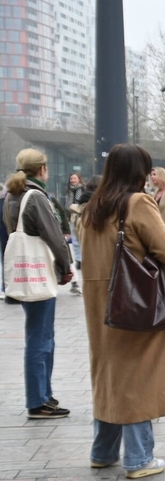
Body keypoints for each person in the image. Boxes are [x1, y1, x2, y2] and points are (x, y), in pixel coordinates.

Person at [79, 144, 165, 477]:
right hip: (134, 300)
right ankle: (139, 457)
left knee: (109, 372)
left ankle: (103, 451)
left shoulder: (93, 208)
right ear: (137, 171)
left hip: (99, 301)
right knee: (137, 374)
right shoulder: (137, 202)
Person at [3, 149, 74, 418]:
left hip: (23, 273)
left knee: (40, 334)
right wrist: (66, 266)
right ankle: (37, 400)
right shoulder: (36, 197)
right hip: (39, 272)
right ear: (42, 169)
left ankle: (44, 394)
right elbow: (54, 236)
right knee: (41, 338)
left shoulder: (12, 194)